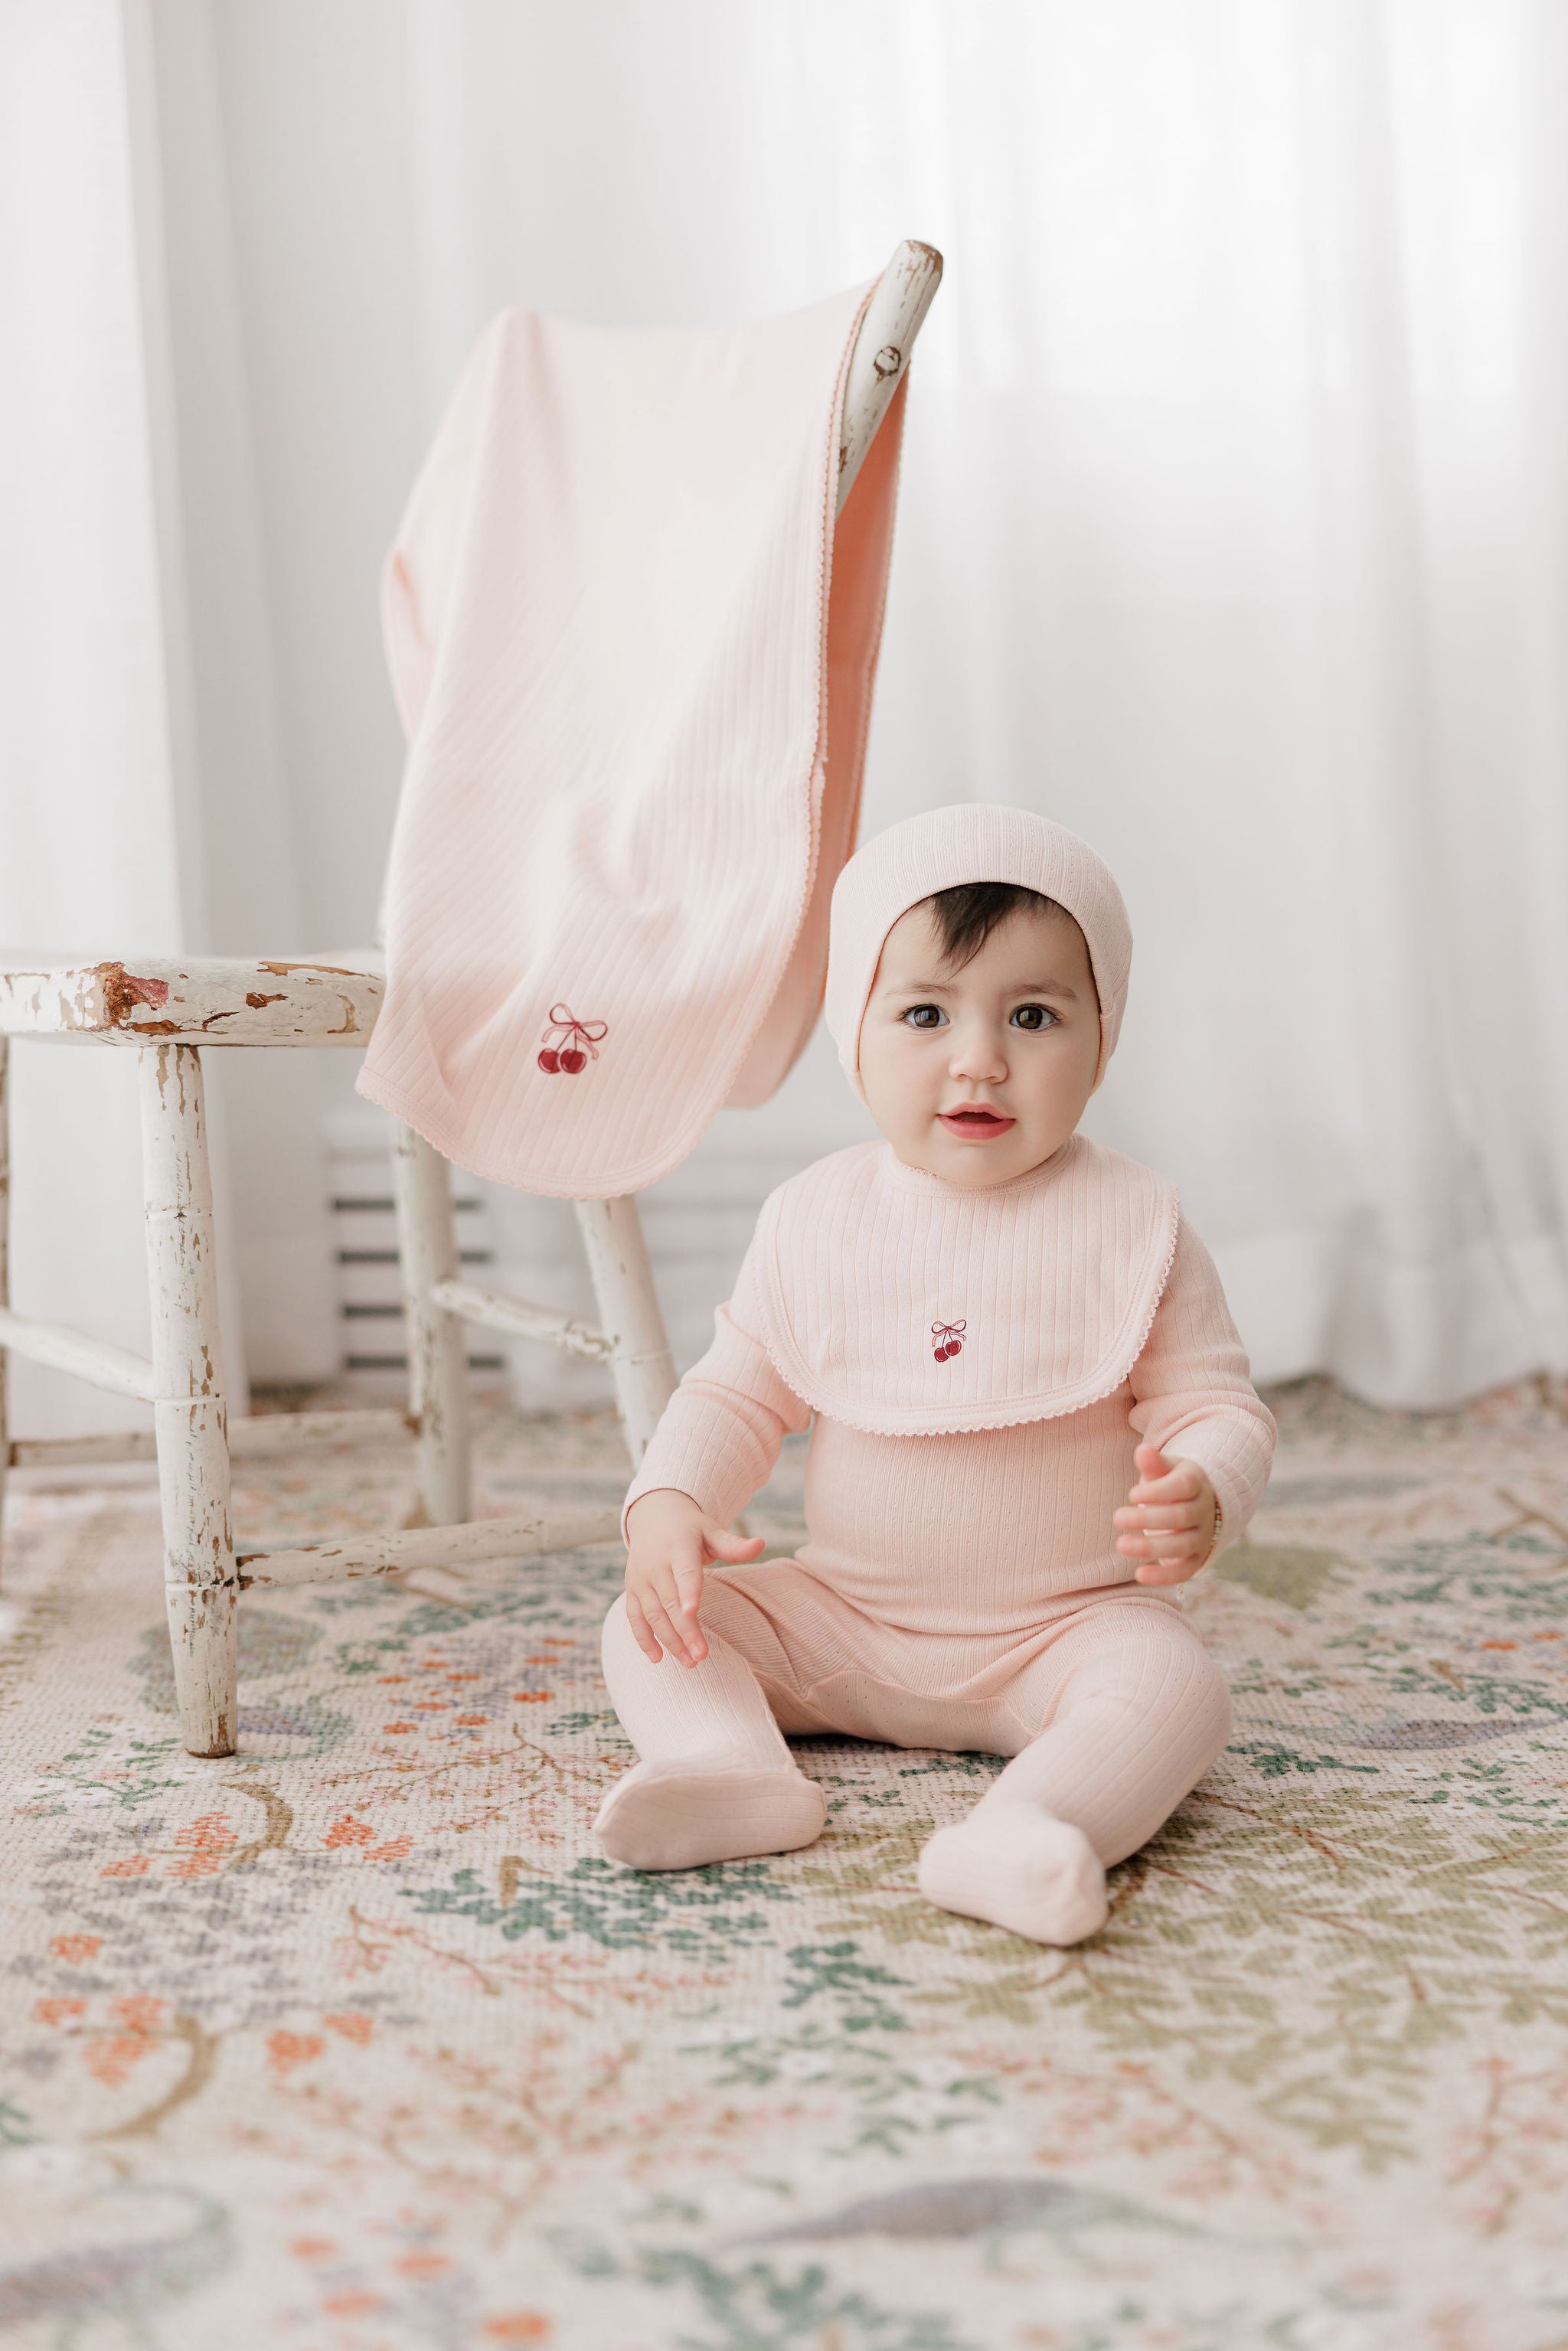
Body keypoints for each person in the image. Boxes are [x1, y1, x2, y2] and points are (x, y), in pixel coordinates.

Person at [594, 804, 1276, 1947]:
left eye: (1033, 1015)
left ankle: (1030, 1825)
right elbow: (735, 1389)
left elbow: (1215, 1402)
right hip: (845, 1621)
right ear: (853, 1035)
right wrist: (670, 1502)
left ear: (1103, 1040)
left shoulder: (1134, 1225)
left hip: (1063, 1628)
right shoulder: (818, 1218)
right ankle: (728, 1767)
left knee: (1174, 1691)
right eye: (924, 1013)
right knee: (653, 1622)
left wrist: (1207, 1483)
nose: (980, 1059)